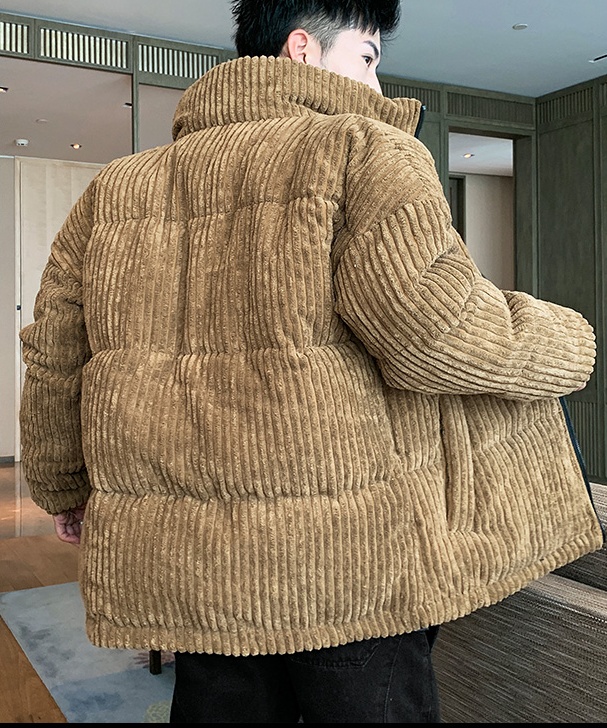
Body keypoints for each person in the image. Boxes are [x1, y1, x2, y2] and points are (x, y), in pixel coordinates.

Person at [19, 0, 604, 723]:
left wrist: (62, 483)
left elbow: (55, 353)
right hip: (347, 561)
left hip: (191, 563)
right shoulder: (361, 147)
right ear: (302, 48)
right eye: (367, 56)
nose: (377, 84)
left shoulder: (116, 189)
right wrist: (569, 340)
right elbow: (433, 328)